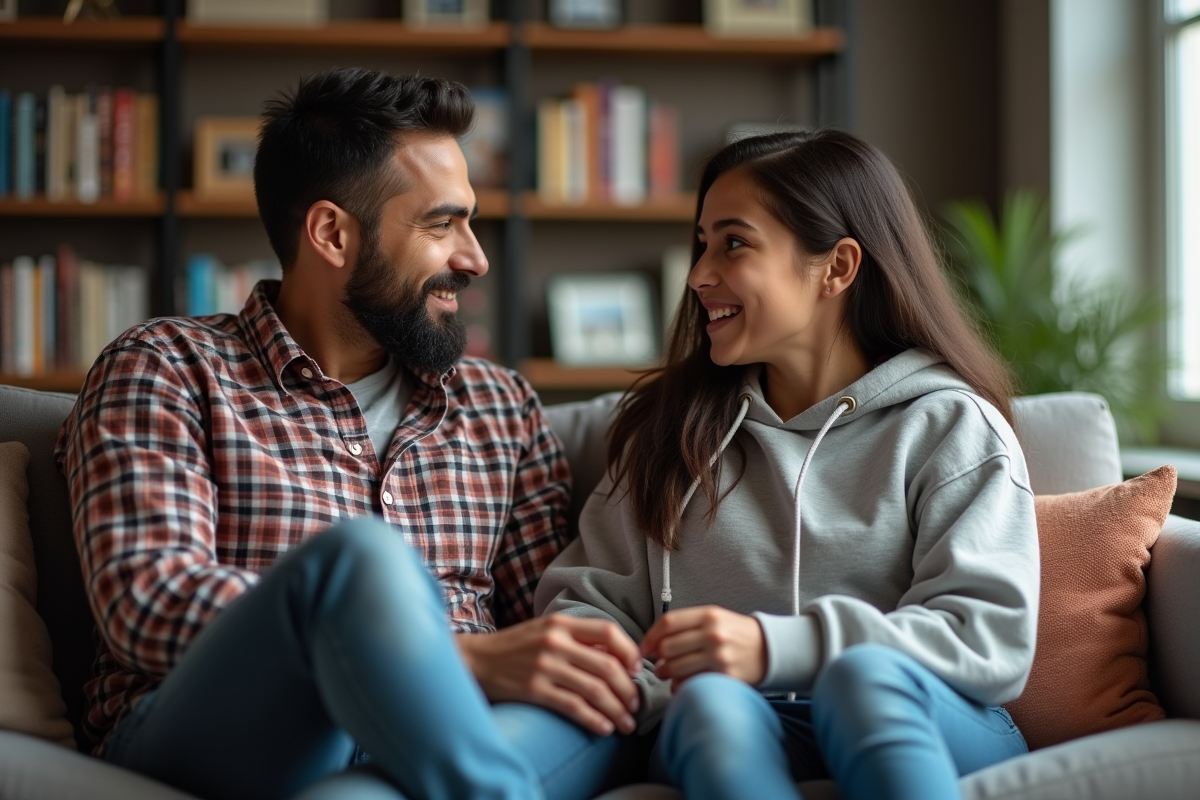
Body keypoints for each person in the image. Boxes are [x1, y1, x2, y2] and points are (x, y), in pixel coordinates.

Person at [56, 68, 644, 800]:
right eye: (441, 223)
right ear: (332, 234)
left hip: (434, 743)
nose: (475, 257)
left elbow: (545, 630)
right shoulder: (168, 369)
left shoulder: (501, 407)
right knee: (359, 562)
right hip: (224, 728)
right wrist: (448, 660)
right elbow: (146, 601)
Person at [534, 129, 1040, 800]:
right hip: (742, 720)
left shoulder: (950, 424)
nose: (697, 274)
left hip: (929, 714)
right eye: (702, 242)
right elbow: (589, 604)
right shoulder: (669, 429)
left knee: (863, 680)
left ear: (836, 268)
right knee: (708, 703)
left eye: (733, 243)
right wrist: (648, 676)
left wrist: (778, 646)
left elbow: (988, 633)